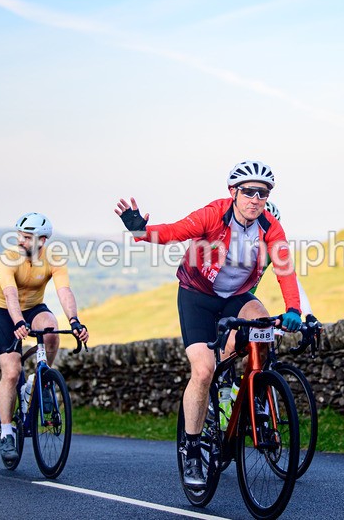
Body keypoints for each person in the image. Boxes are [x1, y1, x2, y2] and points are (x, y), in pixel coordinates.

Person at [114, 161, 302, 489]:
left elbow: (284, 268)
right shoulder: (213, 214)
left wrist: (294, 310)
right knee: (202, 371)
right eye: (249, 192)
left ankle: (255, 390)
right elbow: (174, 232)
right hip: (197, 295)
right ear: (233, 192)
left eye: (263, 192)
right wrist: (141, 231)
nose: (256, 199)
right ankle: (191, 448)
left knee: (264, 326)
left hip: (235, 297)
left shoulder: (270, 227)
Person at [0, 212, 89, 464]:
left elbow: (64, 291)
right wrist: (18, 323)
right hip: (5, 311)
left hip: (34, 307)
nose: (20, 241)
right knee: (11, 372)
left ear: (41, 240)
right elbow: (11, 296)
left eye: (25, 237)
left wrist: (75, 321)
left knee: (51, 329)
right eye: (19, 236)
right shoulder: (8, 258)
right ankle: (6, 432)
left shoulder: (53, 258)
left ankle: (40, 381)